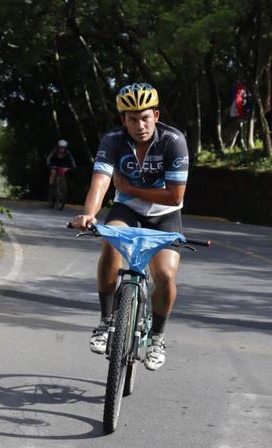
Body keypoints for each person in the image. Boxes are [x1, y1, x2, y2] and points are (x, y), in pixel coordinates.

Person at [70, 82, 189, 371]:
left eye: (145, 117)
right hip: (127, 209)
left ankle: (158, 338)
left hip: (166, 213)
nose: (140, 125)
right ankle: (106, 321)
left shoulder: (173, 140)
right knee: (110, 245)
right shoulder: (112, 140)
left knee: (164, 275)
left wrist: (129, 188)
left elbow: (175, 195)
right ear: (123, 120)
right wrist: (88, 215)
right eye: (132, 119)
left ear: (156, 115)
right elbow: (100, 181)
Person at [46, 139, 76, 209]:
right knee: (53, 173)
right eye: (60, 147)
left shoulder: (68, 153)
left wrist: (70, 168)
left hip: (63, 168)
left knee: (66, 177)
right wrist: (50, 166)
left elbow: (72, 162)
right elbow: (48, 159)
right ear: (58, 147)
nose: (62, 149)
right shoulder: (54, 152)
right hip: (54, 166)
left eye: (63, 148)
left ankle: (63, 191)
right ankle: (51, 186)